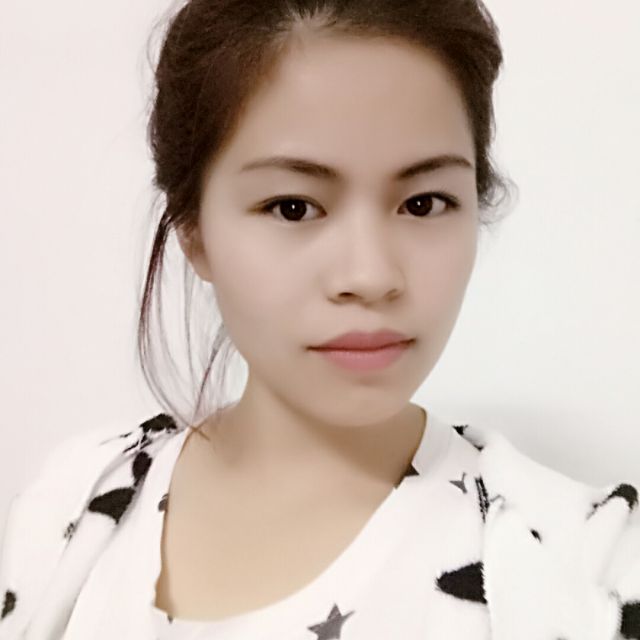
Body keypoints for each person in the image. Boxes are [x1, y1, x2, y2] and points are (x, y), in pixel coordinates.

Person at [1, 1, 638, 638]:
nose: (370, 275)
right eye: (294, 207)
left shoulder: (584, 566)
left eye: (423, 203)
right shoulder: (70, 504)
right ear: (194, 230)